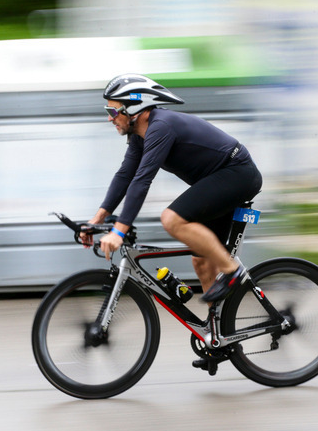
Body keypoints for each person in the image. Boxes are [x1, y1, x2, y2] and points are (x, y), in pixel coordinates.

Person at [82, 73, 263, 303]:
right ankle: (219, 334)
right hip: (222, 179)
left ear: (135, 108)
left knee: (171, 218)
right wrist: (97, 220)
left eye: (114, 111)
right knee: (201, 261)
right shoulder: (140, 136)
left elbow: (142, 180)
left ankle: (232, 271)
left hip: (238, 174)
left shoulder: (161, 127)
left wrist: (119, 232)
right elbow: (125, 176)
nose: (110, 118)